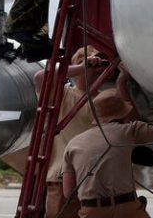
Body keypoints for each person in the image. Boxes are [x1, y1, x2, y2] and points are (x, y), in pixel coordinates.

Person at [62, 88, 153, 218]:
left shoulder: (73, 144)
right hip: (126, 208)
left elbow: (69, 192)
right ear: (123, 114)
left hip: (93, 211)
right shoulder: (129, 130)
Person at [37, 45, 107, 218]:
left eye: (97, 63)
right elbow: (40, 77)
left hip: (99, 178)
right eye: (87, 63)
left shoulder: (108, 98)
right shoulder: (63, 95)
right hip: (62, 178)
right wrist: (82, 67)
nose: (95, 67)